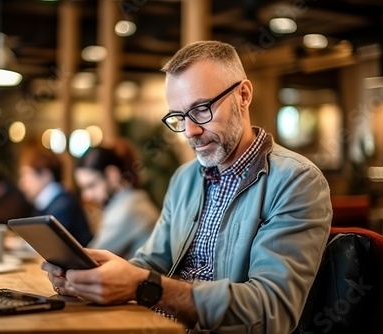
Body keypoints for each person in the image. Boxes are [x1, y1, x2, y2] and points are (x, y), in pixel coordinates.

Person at [42, 40, 332, 333]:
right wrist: (96, 276)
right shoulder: (185, 178)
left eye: (202, 109)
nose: (190, 132)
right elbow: (152, 262)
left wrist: (146, 287)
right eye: (179, 117)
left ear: (243, 95)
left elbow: (271, 311)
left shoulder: (296, 181)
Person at [76, 143, 159, 259]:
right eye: (82, 188)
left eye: (91, 185)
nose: (86, 195)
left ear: (112, 175)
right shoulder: (130, 199)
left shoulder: (128, 208)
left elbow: (87, 258)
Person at [18, 146, 93, 246]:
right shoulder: (47, 203)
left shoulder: (63, 205)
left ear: (45, 175)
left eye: (26, 176)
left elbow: (48, 245)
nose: (22, 184)